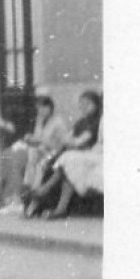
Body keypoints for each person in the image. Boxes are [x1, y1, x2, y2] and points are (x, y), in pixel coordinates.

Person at [26, 89, 102, 218]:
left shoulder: (96, 122)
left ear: (96, 104)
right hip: (74, 152)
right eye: (81, 103)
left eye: (87, 103)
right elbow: (68, 138)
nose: (83, 107)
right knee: (50, 162)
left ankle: (44, 195)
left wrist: (69, 142)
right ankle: (35, 205)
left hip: (86, 153)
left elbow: (80, 141)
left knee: (61, 163)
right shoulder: (81, 122)